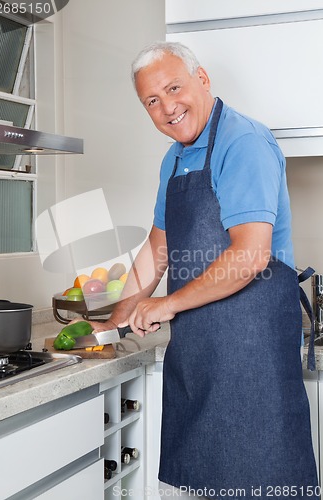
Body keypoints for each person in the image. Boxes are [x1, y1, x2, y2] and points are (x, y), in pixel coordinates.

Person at [91, 41, 319, 499]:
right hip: (197, 364)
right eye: (151, 101)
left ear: (203, 80)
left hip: (253, 366)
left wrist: (166, 304)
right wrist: (112, 321)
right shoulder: (174, 159)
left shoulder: (244, 142)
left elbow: (250, 256)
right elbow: (158, 249)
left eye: (174, 88)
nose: (167, 107)